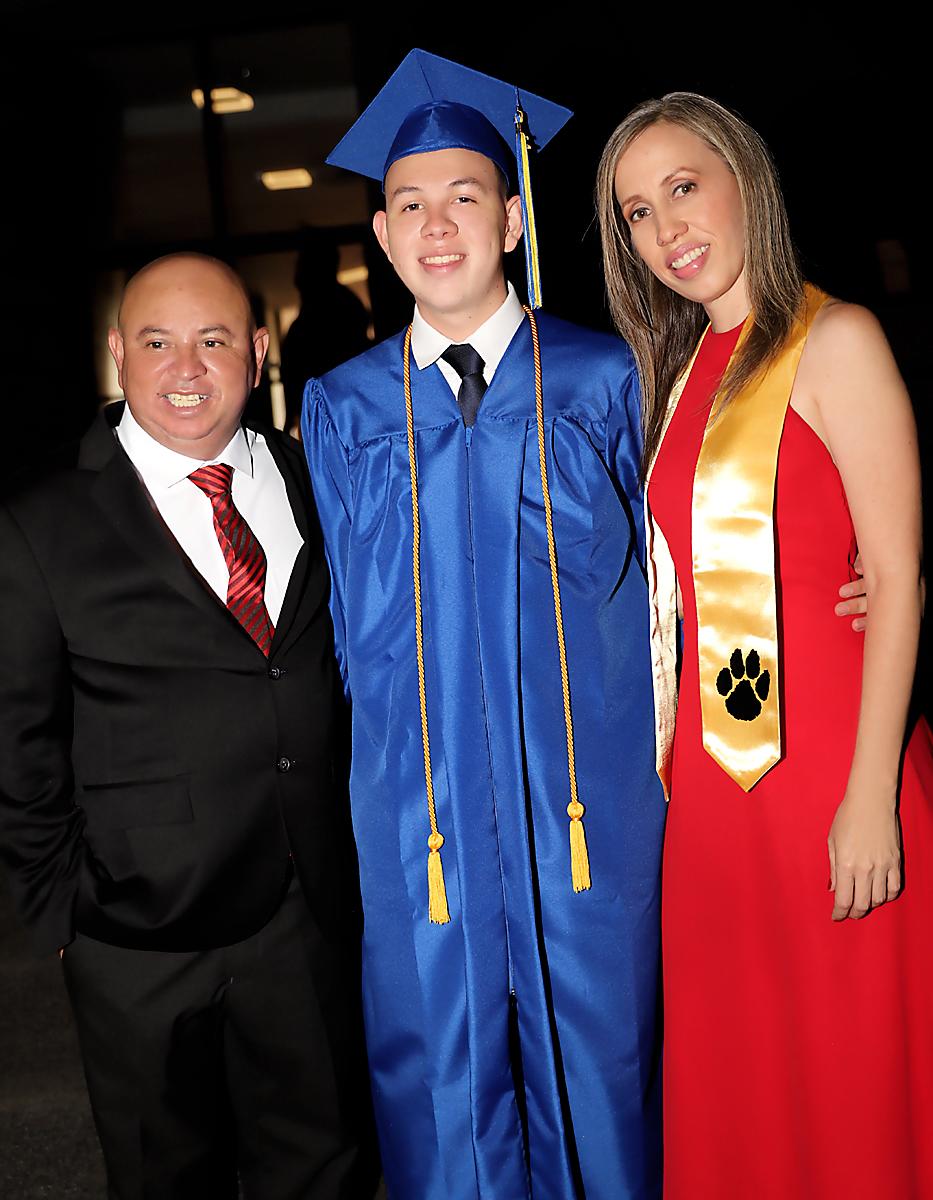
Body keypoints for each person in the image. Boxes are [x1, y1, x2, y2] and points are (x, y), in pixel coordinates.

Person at [302, 50, 666, 1200]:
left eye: (464, 196)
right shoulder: (344, 407)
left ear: (512, 218)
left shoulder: (609, 377)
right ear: (381, 232)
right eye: (409, 204)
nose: (438, 224)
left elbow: (678, 577)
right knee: (434, 1071)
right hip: (423, 814)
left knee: (604, 1060)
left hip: (586, 800)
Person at [597, 93, 933, 1198]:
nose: (665, 231)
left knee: (848, 1075)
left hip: (835, 771)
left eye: (683, 188)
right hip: (711, 785)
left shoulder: (836, 339)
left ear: (747, 180)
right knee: (741, 1076)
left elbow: (894, 580)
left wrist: (871, 793)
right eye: (638, 212)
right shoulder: (679, 367)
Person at [0, 253, 377, 1200]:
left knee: (321, 1164)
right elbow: (17, 735)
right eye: (158, 343)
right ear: (118, 353)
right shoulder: (39, 523)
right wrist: (63, 908)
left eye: (212, 341)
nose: (185, 368)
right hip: (134, 930)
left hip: (307, 911)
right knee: (166, 1177)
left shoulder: (315, 480)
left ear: (256, 353)